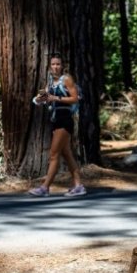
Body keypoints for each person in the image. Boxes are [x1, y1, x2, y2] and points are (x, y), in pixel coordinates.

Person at [28, 53, 86, 197]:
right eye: (53, 64)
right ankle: (79, 186)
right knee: (66, 154)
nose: (55, 67)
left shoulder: (67, 79)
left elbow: (75, 98)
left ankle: (45, 188)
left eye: (58, 64)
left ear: (62, 66)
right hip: (55, 119)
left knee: (54, 154)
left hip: (65, 119)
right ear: (50, 66)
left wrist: (55, 98)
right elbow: (45, 95)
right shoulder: (51, 81)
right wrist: (39, 99)